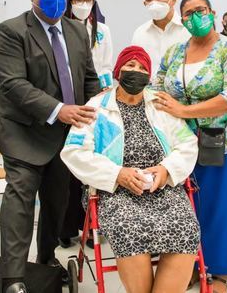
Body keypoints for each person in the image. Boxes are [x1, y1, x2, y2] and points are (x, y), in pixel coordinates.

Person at [0, 0, 101, 293]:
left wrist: (99, 110)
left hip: (67, 136)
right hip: (24, 132)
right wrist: (58, 110)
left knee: (57, 202)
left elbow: (88, 77)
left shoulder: (78, 31)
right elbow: (13, 84)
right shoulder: (11, 31)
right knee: (20, 199)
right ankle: (13, 277)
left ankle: (46, 259)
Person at [61, 46, 200, 293]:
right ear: (118, 71)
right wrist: (117, 174)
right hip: (115, 191)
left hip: (162, 188)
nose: (136, 71)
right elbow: (73, 151)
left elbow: (187, 143)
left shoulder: (159, 104)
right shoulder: (97, 107)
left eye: (142, 68)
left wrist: (166, 169)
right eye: (130, 65)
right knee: (130, 228)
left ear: (149, 75)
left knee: (186, 229)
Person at [153, 0, 227, 293]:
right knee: (188, 208)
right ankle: (194, 265)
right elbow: (157, 86)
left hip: (222, 143)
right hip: (181, 145)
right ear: (180, 19)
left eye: (201, 10)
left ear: (212, 12)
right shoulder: (174, 52)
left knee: (221, 207)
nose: (195, 17)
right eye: (188, 13)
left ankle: (221, 272)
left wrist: (184, 110)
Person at [59, 0, 114, 249]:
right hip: (68, 104)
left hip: (96, 103)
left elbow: (107, 66)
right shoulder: (61, 29)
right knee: (66, 170)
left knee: (90, 168)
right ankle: (65, 227)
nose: (83, 5)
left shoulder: (101, 30)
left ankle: (90, 227)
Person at [131, 0, 190, 79]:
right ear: (145, 3)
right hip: (148, 92)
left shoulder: (188, 30)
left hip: (183, 93)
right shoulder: (140, 33)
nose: (154, 2)